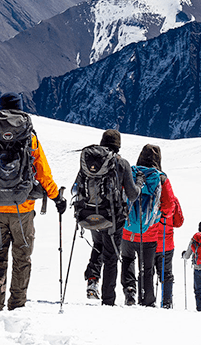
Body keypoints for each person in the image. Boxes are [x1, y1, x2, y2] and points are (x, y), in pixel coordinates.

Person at [0, 92, 65, 318]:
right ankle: (17, 305)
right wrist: (56, 197)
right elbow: (43, 173)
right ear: (21, 109)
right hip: (23, 208)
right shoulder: (29, 139)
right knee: (22, 257)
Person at [74, 129, 139, 306]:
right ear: (118, 145)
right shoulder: (122, 163)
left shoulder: (89, 161)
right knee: (111, 256)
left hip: (90, 215)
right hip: (113, 218)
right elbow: (132, 195)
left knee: (98, 245)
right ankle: (108, 300)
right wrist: (139, 184)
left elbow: (76, 187)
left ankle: (92, 281)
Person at [120, 144, 177, 307]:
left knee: (127, 259)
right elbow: (169, 205)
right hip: (149, 232)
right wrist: (160, 216)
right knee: (147, 268)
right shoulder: (161, 178)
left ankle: (130, 290)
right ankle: (147, 300)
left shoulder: (130, 172)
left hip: (128, 229)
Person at [154, 182, 183, 309]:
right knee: (166, 274)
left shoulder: (147, 196)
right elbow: (178, 222)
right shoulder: (172, 200)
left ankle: (145, 298)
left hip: (148, 241)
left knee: (147, 272)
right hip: (167, 244)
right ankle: (167, 302)